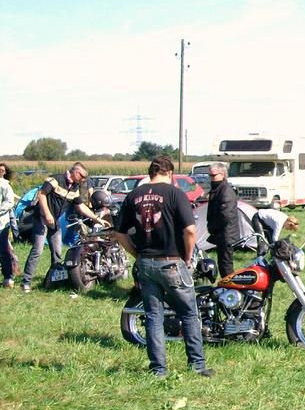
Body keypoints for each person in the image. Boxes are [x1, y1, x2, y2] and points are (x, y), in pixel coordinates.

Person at [114, 155, 213, 378]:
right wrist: (188, 256)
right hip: (172, 261)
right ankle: (197, 365)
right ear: (169, 173)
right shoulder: (175, 193)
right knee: (189, 314)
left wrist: (137, 254)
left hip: (146, 263)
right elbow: (190, 230)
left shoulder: (134, 195)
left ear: (151, 172)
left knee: (153, 316)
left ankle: (158, 369)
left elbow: (119, 232)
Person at [20, 162, 109, 292]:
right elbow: (41, 194)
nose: (84, 179)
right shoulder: (55, 180)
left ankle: (53, 281)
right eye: (83, 176)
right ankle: (26, 282)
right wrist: (47, 214)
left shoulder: (75, 187)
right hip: (42, 219)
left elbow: (80, 206)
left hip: (54, 222)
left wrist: (97, 219)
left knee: (57, 252)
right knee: (37, 250)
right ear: (75, 173)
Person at [205, 162, 240, 277]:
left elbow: (226, 216)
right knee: (223, 264)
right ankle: (226, 284)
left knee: (226, 266)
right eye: (210, 175)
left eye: (214, 175)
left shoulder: (226, 191)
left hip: (226, 234)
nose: (211, 178)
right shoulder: (218, 189)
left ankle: (229, 286)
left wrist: (212, 227)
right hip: (221, 233)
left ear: (223, 174)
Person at [0, 163, 17, 287]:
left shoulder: (5, 185)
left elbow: (9, 202)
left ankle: (8, 276)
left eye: (2, 170)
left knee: (3, 250)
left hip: (1, 224)